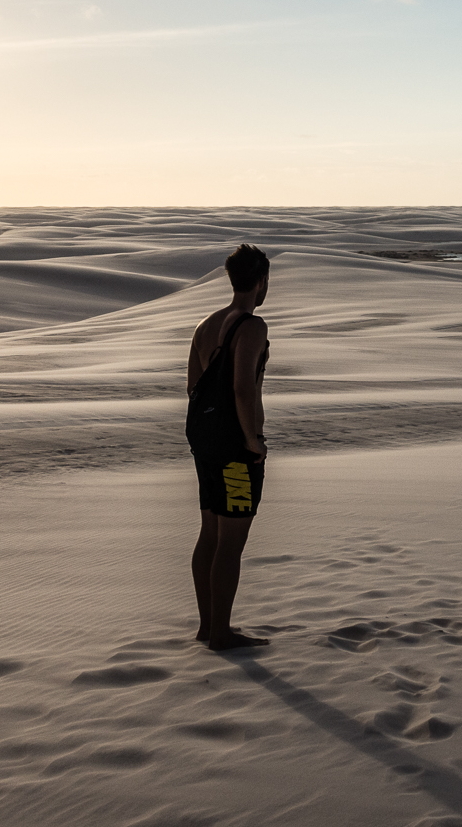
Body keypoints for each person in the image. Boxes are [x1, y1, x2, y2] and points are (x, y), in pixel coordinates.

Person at [186, 243, 271, 651]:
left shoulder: (205, 325)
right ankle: (221, 633)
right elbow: (241, 388)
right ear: (260, 281)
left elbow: (192, 387)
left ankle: (207, 626)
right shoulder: (252, 326)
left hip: (205, 443)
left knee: (210, 533)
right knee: (231, 540)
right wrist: (251, 439)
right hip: (236, 449)